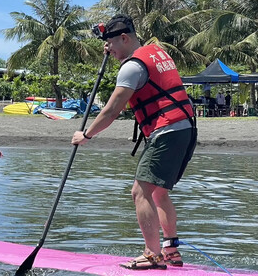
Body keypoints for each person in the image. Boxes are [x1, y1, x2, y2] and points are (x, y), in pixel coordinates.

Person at [71, 14, 197, 270]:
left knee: (140, 192)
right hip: (186, 129)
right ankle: (170, 250)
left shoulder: (132, 66)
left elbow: (111, 110)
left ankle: (152, 255)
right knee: (158, 191)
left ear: (125, 38)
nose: (108, 50)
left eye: (110, 44)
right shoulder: (158, 53)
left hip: (167, 131)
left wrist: (86, 135)